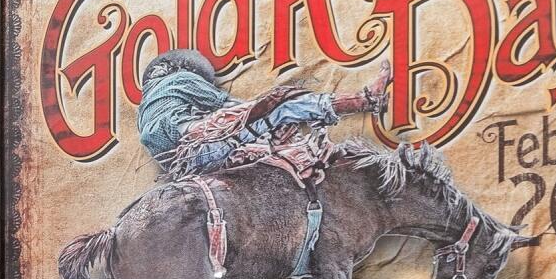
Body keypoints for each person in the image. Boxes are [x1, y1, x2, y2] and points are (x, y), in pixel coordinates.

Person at [137, 49, 386, 183]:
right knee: (280, 103)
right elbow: (232, 106)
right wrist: (270, 118)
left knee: (266, 146)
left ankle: (296, 161)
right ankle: (365, 99)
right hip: (199, 146)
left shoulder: (145, 111)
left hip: (191, 167)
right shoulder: (179, 79)